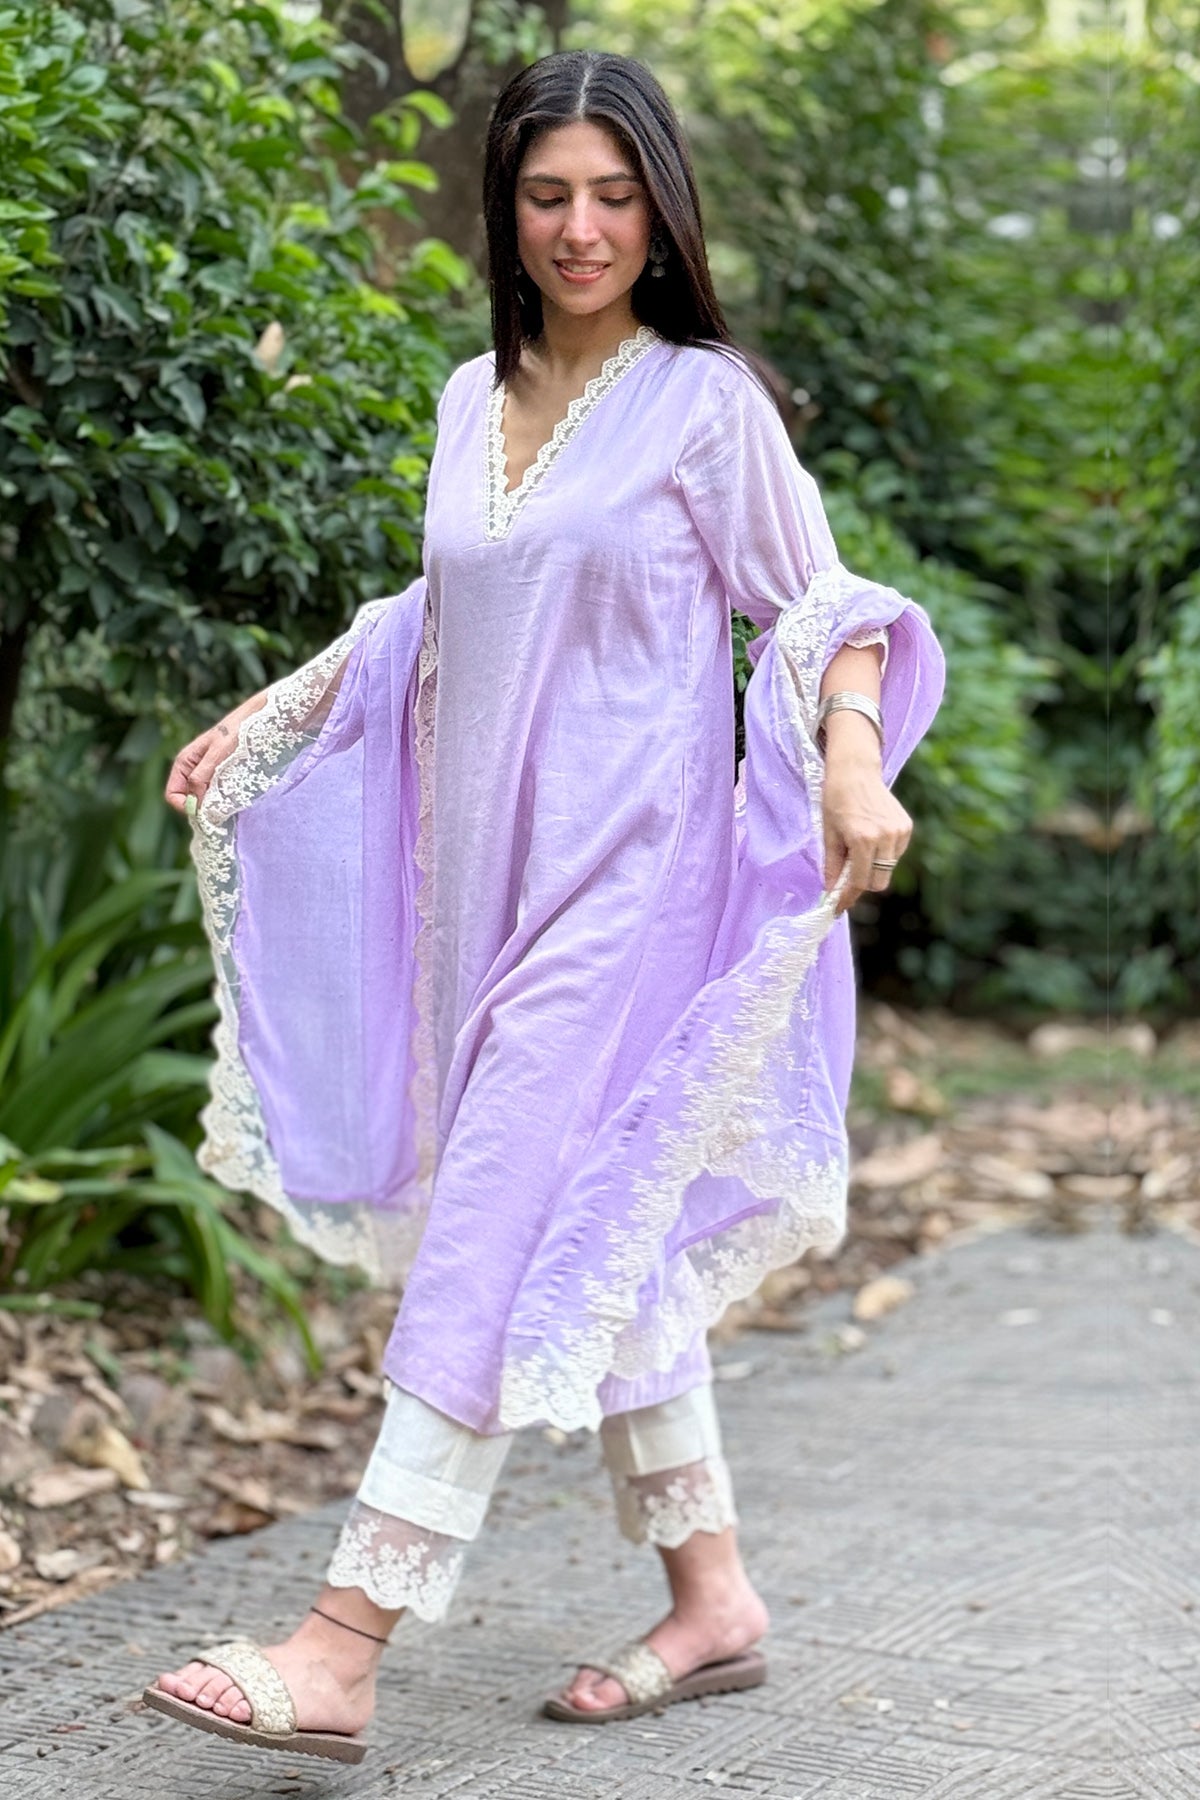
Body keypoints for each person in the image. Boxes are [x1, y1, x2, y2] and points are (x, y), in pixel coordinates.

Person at [142, 48, 944, 1764]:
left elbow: (828, 606)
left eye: (614, 194)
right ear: (507, 209)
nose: (582, 228)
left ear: (661, 209)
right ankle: (714, 1597)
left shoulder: (706, 404)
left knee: (506, 1212)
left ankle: (344, 1641)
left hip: (631, 888)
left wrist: (855, 764)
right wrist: (277, 709)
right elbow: (444, 614)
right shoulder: (469, 396)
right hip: (480, 891)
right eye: (547, 194)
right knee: (599, 1223)